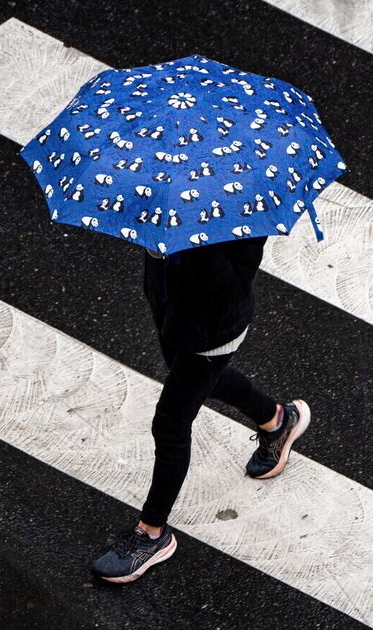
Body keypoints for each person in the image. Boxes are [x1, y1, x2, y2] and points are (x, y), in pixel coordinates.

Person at [90, 235, 311, 583]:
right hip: (172, 307)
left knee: (171, 423)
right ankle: (277, 420)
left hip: (210, 328)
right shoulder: (178, 196)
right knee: (200, 382)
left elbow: (227, 282)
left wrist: (182, 246)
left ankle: (152, 533)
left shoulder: (232, 209)